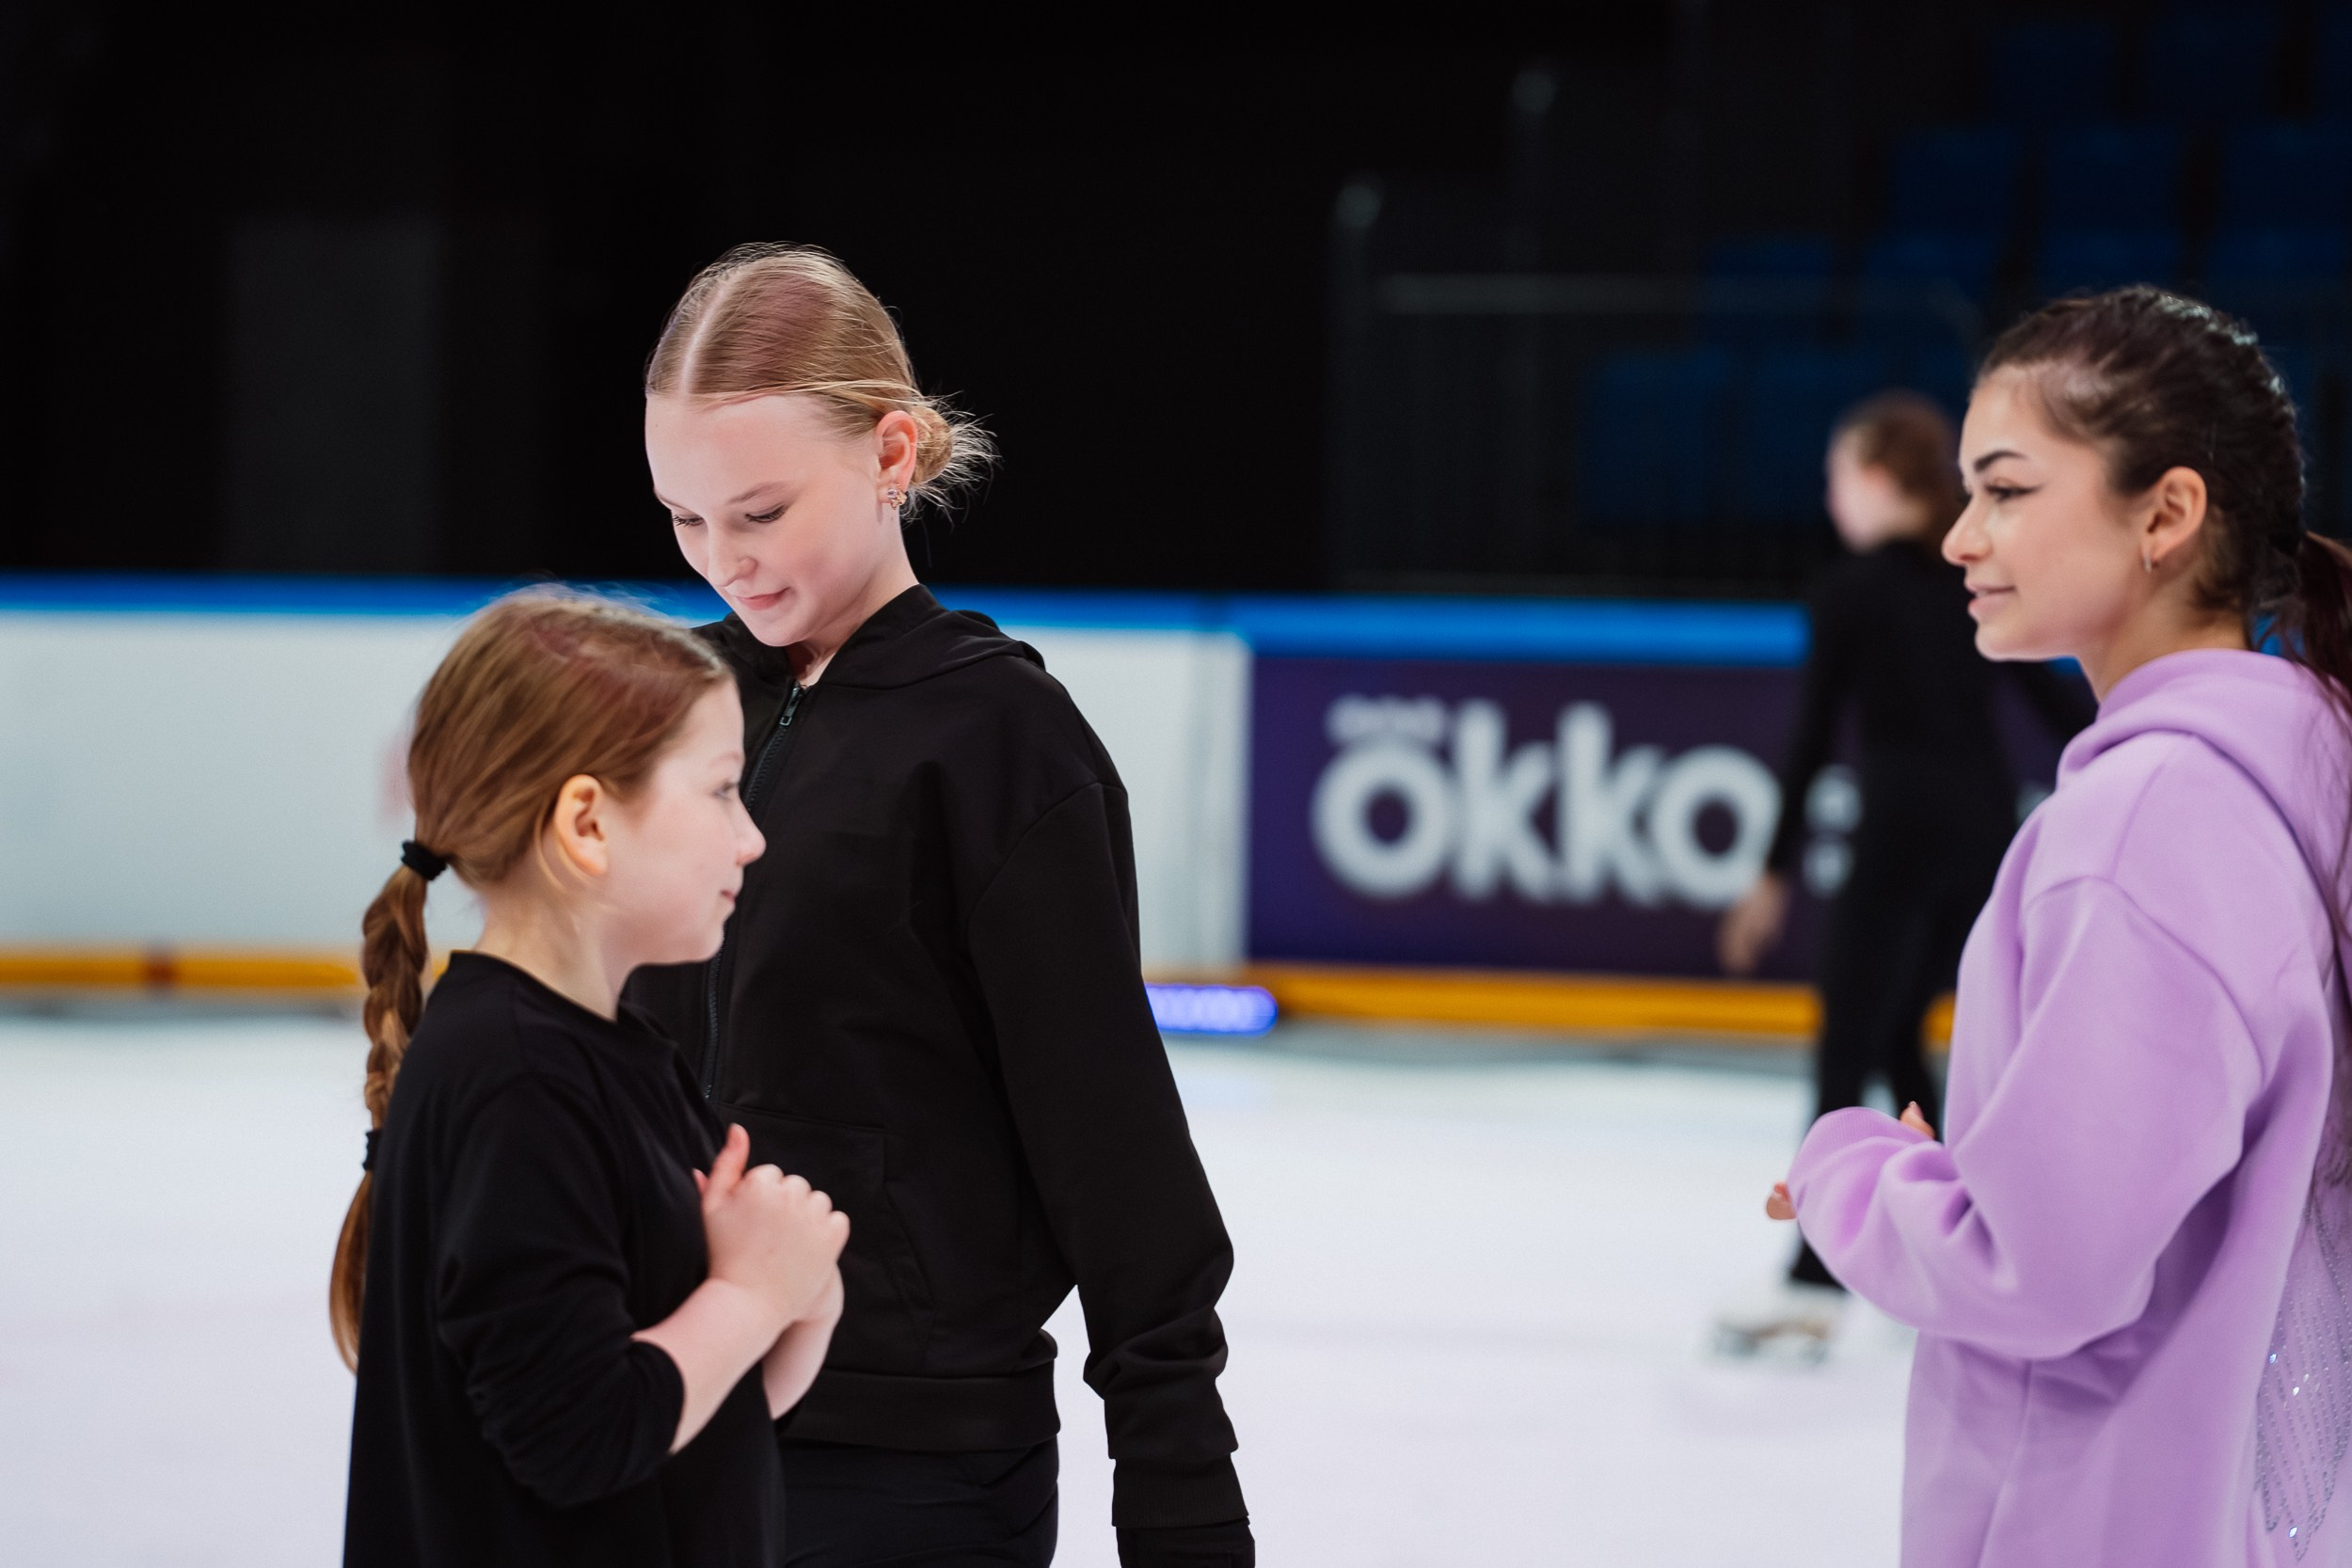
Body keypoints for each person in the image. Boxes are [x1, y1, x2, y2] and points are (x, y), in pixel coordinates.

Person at [625, 245, 1251, 1568]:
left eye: (758, 509)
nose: (721, 559)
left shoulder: (1001, 740)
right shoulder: (669, 710)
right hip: (667, 1412)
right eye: (684, 518)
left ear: (891, 451)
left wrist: (1178, 1470)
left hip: (916, 1461)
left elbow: (1107, 1131)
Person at [1767, 286, 2352, 1564]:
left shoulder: (2146, 829)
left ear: (2168, 512)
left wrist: (1846, 1167)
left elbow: (2037, 1269)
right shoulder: (2303, 779)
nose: (1961, 537)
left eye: (2009, 489)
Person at [337, 591, 851, 1568]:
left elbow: (692, 1412)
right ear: (587, 822)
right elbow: (580, 1435)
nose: (752, 837)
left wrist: (796, 1299)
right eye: (718, 790)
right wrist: (751, 1293)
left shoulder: (614, 1052)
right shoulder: (517, 1080)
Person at [1713, 391, 2091, 1352]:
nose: (1830, 496)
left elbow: (1808, 739)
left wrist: (1770, 870)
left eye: (1837, 475)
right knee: (1900, 1041)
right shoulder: (1973, 577)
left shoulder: (1848, 590)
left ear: (1877, 480)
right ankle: (1962, 1248)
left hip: (1896, 833)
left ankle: (1811, 1282)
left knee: (1849, 1045)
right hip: (1979, 831)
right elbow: (2049, 703)